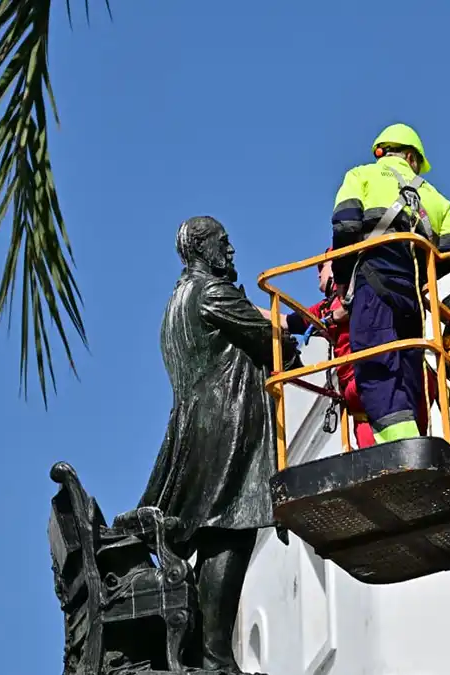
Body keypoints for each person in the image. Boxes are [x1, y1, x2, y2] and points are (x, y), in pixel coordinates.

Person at [139, 215, 297, 674]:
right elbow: (268, 338)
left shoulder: (176, 302)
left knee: (214, 531)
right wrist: (295, 333)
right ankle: (214, 654)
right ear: (202, 248)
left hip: (196, 428)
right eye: (223, 244)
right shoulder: (210, 292)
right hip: (228, 426)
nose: (231, 251)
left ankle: (208, 650)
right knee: (230, 527)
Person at [329, 123, 450, 443]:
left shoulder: (360, 175)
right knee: (409, 369)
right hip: (412, 295)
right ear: (412, 158)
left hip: (373, 282)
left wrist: (342, 279)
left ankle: (400, 445)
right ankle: (417, 441)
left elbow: (346, 225)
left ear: (384, 152)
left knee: (375, 365)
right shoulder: (436, 198)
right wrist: (420, 275)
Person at [259, 254, 376, 449]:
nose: (317, 274)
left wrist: (332, 319)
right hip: (355, 391)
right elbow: (286, 321)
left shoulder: (359, 289)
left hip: (371, 378)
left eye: (321, 267)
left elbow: (355, 306)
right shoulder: (326, 307)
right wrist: (245, 306)